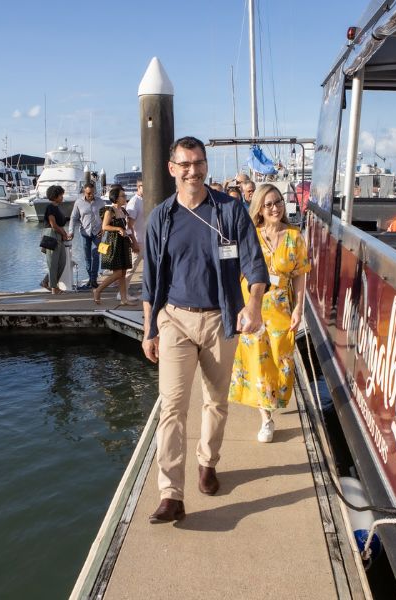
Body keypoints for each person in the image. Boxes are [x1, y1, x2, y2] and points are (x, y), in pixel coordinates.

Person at [141, 136, 269, 523]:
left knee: (216, 400)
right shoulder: (161, 218)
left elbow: (254, 264)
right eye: (185, 164)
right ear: (172, 168)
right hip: (174, 318)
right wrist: (149, 330)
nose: (192, 171)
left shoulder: (230, 211)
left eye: (198, 163)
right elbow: (150, 281)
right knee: (172, 406)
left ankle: (207, 462)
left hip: (220, 318)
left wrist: (254, 304)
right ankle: (171, 494)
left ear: (205, 165)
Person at [228, 184, 310, 442]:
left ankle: (272, 400)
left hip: (282, 306)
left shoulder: (294, 236)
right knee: (258, 361)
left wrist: (299, 307)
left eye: (278, 202)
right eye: (269, 204)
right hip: (253, 303)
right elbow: (237, 270)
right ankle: (266, 420)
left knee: (280, 360)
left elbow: (300, 275)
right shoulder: (250, 234)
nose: (275, 208)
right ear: (259, 209)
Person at [93, 185, 135, 306]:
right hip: (114, 243)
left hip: (123, 243)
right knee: (117, 273)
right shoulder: (109, 210)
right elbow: (104, 226)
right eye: (123, 196)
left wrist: (131, 241)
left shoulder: (123, 211)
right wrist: (117, 228)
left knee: (123, 273)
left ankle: (123, 298)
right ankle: (98, 290)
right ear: (115, 198)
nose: (125, 197)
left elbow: (128, 228)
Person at [67, 182, 105, 290]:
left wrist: (104, 229)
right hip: (84, 233)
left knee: (97, 255)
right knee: (87, 257)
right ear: (84, 191)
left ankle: (94, 279)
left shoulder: (100, 202)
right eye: (88, 193)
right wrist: (71, 231)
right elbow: (73, 218)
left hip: (98, 232)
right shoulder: (78, 202)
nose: (90, 195)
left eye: (92, 193)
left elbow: (105, 216)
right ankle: (90, 278)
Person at [40, 185, 71, 294]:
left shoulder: (57, 207)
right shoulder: (50, 207)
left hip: (59, 235)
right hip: (52, 235)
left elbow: (59, 223)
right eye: (61, 195)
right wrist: (63, 233)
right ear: (55, 196)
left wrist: (63, 233)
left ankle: (46, 282)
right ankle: (54, 287)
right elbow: (53, 224)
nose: (62, 197)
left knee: (62, 262)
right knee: (53, 263)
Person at [123, 179, 145, 295]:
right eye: (143, 186)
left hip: (147, 240)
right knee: (130, 269)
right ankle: (122, 293)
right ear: (138, 187)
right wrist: (134, 242)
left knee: (152, 268)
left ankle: (147, 291)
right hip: (138, 240)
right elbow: (129, 225)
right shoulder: (134, 202)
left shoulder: (145, 200)